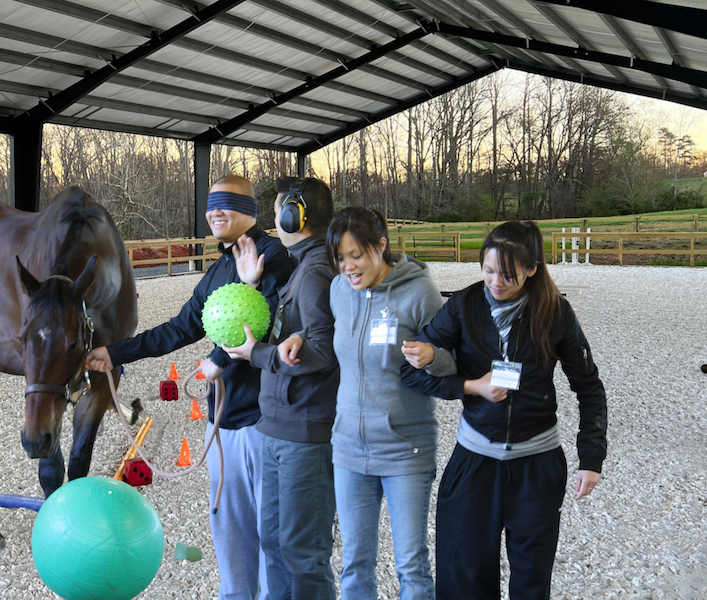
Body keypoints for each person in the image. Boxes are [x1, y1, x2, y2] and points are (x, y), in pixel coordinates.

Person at [84, 175, 294, 600]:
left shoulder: (272, 256)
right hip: (225, 420)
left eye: (227, 203)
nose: (214, 210)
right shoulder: (218, 268)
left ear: (250, 210)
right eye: (211, 203)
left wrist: (217, 361)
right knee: (230, 527)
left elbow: (267, 320)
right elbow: (180, 328)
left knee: (272, 532)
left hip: (265, 419)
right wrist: (117, 352)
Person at [400, 220, 608, 600]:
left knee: (531, 580)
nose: (496, 282)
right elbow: (409, 373)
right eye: (489, 270)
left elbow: (589, 386)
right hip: (475, 461)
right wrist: (467, 384)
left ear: (533, 269)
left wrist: (591, 457)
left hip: (537, 465)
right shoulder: (463, 305)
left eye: (508, 275)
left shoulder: (556, 311)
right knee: (464, 575)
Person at [284, 206, 455, 599]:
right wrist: (299, 341)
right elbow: (328, 344)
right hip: (348, 449)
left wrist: (434, 358)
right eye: (340, 258)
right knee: (355, 564)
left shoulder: (418, 292)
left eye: (356, 255)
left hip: (405, 451)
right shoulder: (339, 291)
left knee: (412, 564)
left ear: (381, 246)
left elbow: (454, 362)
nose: (348, 267)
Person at [221, 176, 339, 600]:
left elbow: (323, 349)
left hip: (302, 432)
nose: (274, 222)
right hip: (278, 426)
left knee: (303, 553)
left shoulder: (314, 273)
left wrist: (258, 355)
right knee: (274, 541)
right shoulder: (304, 267)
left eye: (277, 214)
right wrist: (249, 286)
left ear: (294, 215)